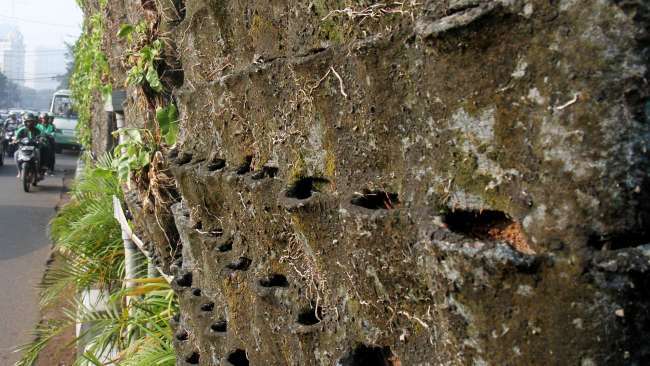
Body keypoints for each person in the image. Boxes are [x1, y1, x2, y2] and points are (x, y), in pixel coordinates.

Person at [13, 113, 44, 178]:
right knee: (16, 154)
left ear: (34, 122)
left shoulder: (38, 130)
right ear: (25, 122)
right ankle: (19, 171)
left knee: (39, 153)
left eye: (31, 121)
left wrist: (41, 140)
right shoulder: (21, 130)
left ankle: (38, 172)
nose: (29, 123)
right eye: (28, 121)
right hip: (23, 148)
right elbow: (16, 137)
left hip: (34, 148)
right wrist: (15, 140)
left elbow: (41, 137)